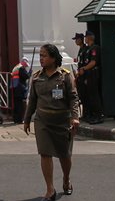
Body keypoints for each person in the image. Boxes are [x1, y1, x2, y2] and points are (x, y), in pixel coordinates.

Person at [24, 44, 80, 200]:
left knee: (65, 155)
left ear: (54, 58)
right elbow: (32, 101)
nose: (41, 58)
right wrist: (27, 120)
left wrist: (75, 117)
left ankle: (66, 179)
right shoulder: (36, 77)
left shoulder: (65, 76)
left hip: (62, 121)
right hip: (42, 121)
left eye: (45, 56)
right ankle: (50, 189)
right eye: (40, 55)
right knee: (45, 153)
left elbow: (73, 98)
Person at [76, 31, 103, 124]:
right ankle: (89, 114)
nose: (85, 39)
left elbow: (93, 62)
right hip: (87, 74)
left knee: (94, 95)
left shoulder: (95, 48)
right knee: (88, 95)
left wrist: (84, 68)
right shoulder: (87, 49)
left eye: (86, 37)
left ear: (91, 37)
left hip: (93, 73)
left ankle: (98, 116)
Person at [10, 57, 31, 124]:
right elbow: (25, 76)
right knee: (20, 105)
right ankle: (19, 119)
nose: (26, 66)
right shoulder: (21, 68)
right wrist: (30, 73)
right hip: (20, 88)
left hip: (15, 87)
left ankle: (16, 119)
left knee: (16, 104)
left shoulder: (16, 67)